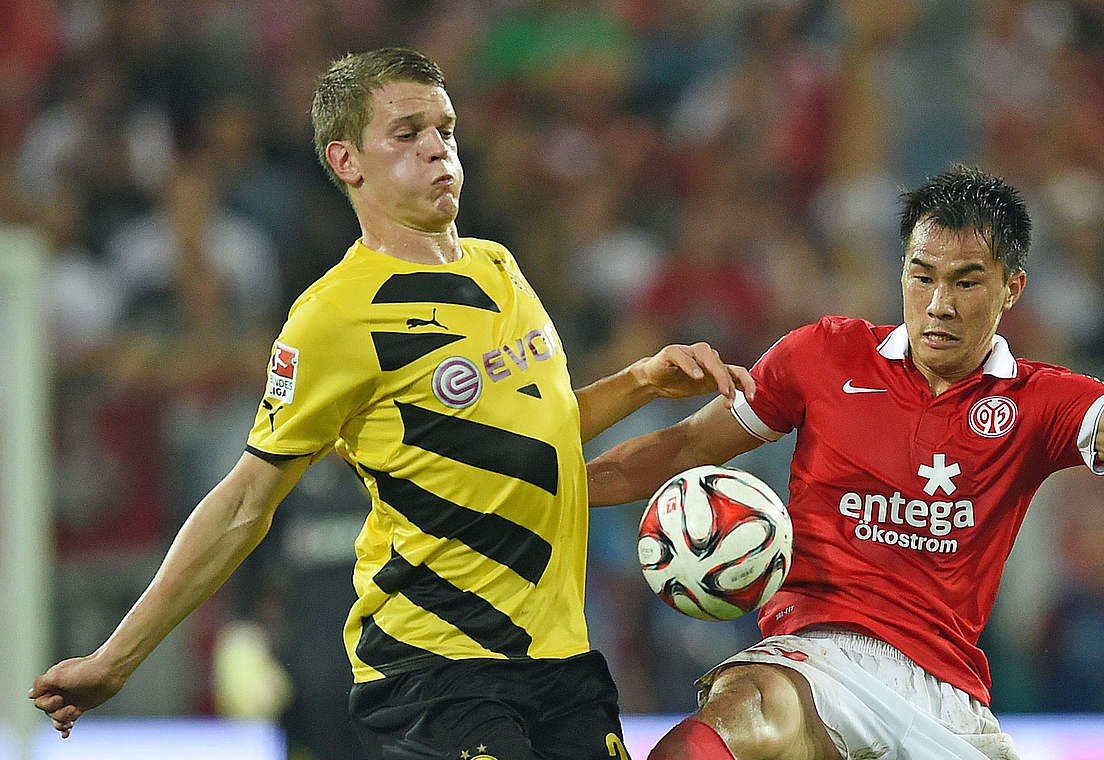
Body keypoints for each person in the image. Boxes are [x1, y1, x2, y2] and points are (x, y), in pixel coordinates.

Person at [29, 47, 754, 760]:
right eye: (407, 135)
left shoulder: (499, 266)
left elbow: (539, 432)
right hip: (437, 669)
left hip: (560, 661)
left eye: (446, 130)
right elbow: (246, 499)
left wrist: (643, 382)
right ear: (348, 162)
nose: (438, 150)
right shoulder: (334, 317)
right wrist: (116, 658)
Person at [587, 165, 1104, 760]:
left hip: (946, 699)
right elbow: (680, 448)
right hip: (817, 657)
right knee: (732, 721)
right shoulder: (822, 357)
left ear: (1010, 289)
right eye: (922, 277)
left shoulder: (1037, 402)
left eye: (965, 282)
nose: (938, 305)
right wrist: (557, 488)